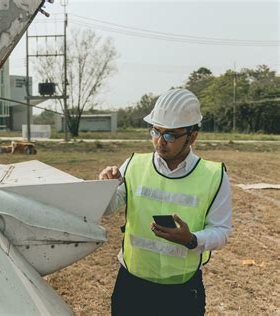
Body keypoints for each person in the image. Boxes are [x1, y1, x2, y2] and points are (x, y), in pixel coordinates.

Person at [99, 88, 232, 316]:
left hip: (182, 292)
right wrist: (105, 187)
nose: (160, 142)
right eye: (155, 131)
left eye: (170, 135)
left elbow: (221, 230)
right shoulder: (133, 164)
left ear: (192, 136)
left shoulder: (214, 176)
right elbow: (108, 208)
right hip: (132, 286)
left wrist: (191, 240)